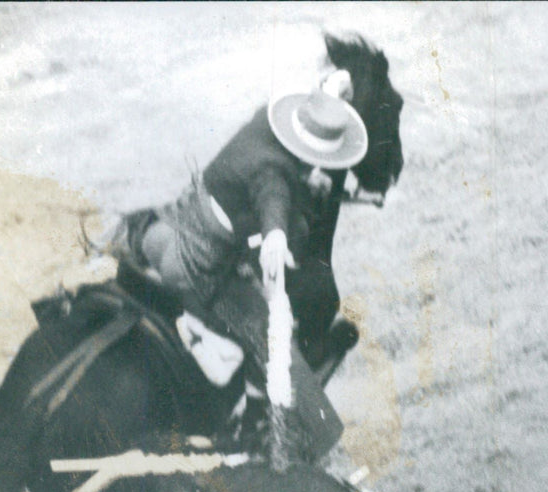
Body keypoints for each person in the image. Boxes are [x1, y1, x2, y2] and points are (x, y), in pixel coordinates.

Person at [109, 74, 368, 468]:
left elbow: (273, 183)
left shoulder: (264, 122)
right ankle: (262, 429)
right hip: (192, 270)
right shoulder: (275, 176)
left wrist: (330, 90)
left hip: (168, 230)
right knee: (270, 332)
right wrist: (276, 237)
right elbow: (274, 199)